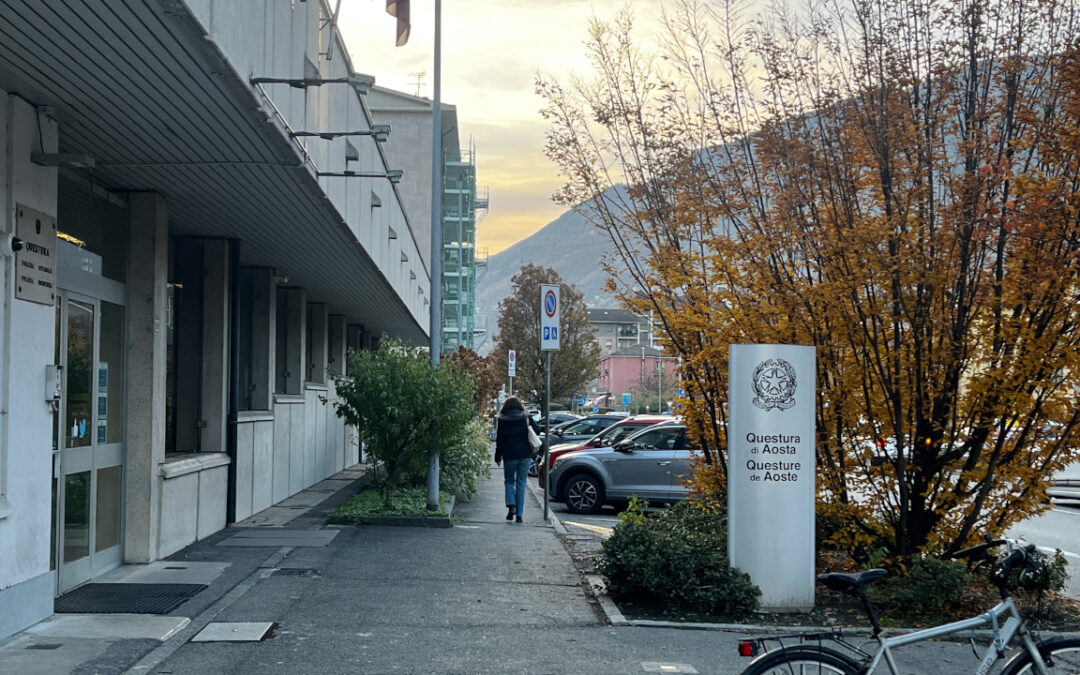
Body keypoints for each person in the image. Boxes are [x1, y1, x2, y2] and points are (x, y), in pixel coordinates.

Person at [494, 396, 538, 523]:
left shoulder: (502, 419)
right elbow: (538, 430)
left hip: (509, 455)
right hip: (525, 455)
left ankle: (511, 505)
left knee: (509, 481)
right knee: (521, 483)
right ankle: (519, 515)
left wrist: (498, 456)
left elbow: (500, 440)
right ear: (520, 405)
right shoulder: (525, 417)